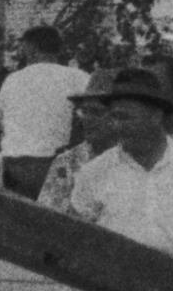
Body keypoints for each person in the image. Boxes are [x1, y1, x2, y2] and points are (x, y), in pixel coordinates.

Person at [57, 63, 173, 257]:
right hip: (116, 273)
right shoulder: (94, 171)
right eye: (114, 117)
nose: (117, 126)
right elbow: (74, 241)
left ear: (155, 116)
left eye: (125, 118)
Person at [0, 23, 92, 198]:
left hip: (13, 165)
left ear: (30, 49)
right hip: (54, 164)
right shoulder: (79, 77)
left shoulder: (13, 79)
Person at [37, 78, 121, 214]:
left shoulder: (132, 159)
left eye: (96, 112)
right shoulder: (67, 162)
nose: (87, 119)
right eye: (84, 111)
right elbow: (47, 214)